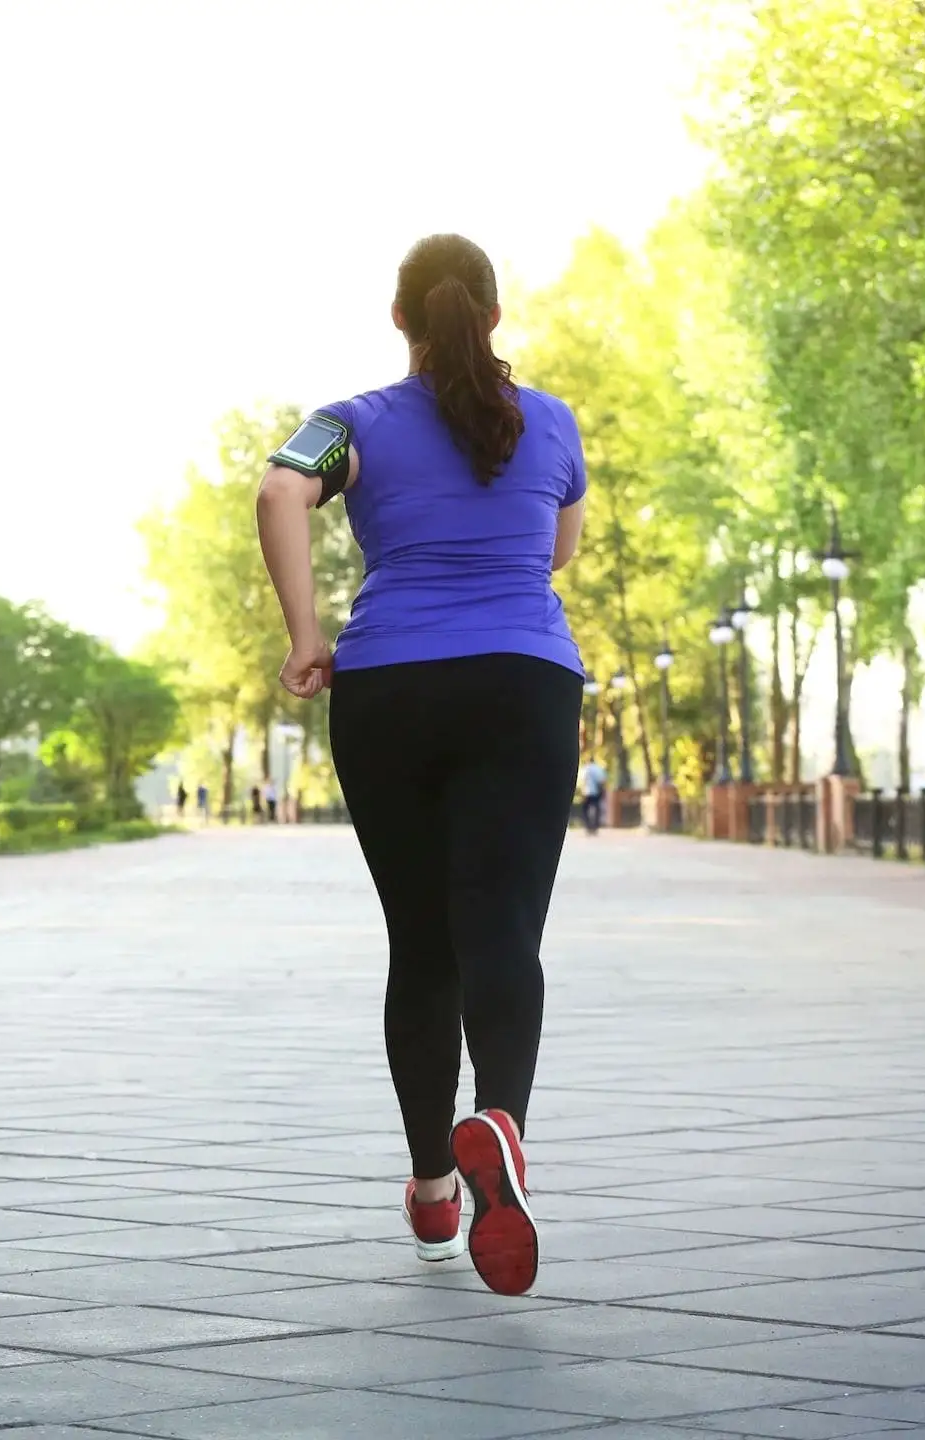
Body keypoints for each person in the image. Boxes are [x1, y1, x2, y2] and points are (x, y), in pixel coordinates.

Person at [254, 234, 587, 1296]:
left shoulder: (346, 422)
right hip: (524, 686)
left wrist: (308, 636)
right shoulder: (554, 422)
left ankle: (436, 1191)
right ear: (494, 317)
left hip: (392, 689)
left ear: (401, 321)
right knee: (505, 937)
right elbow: (558, 553)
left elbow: (276, 494)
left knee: (423, 949)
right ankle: (502, 1128)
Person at [581, 756, 608, 835]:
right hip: (596, 792)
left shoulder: (586, 768)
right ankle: (595, 827)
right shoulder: (598, 769)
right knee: (597, 809)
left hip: (587, 792)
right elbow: (602, 780)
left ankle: (588, 826)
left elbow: (583, 780)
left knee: (585, 810)